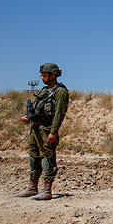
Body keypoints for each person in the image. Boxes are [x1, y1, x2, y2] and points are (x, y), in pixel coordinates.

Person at [14, 63, 69, 200]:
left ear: (53, 75)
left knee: (47, 158)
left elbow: (59, 114)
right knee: (34, 158)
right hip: (35, 129)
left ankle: (46, 190)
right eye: (42, 74)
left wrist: (54, 131)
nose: (42, 77)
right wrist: (28, 118)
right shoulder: (44, 91)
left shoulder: (60, 91)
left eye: (45, 74)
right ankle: (32, 188)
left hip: (47, 130)